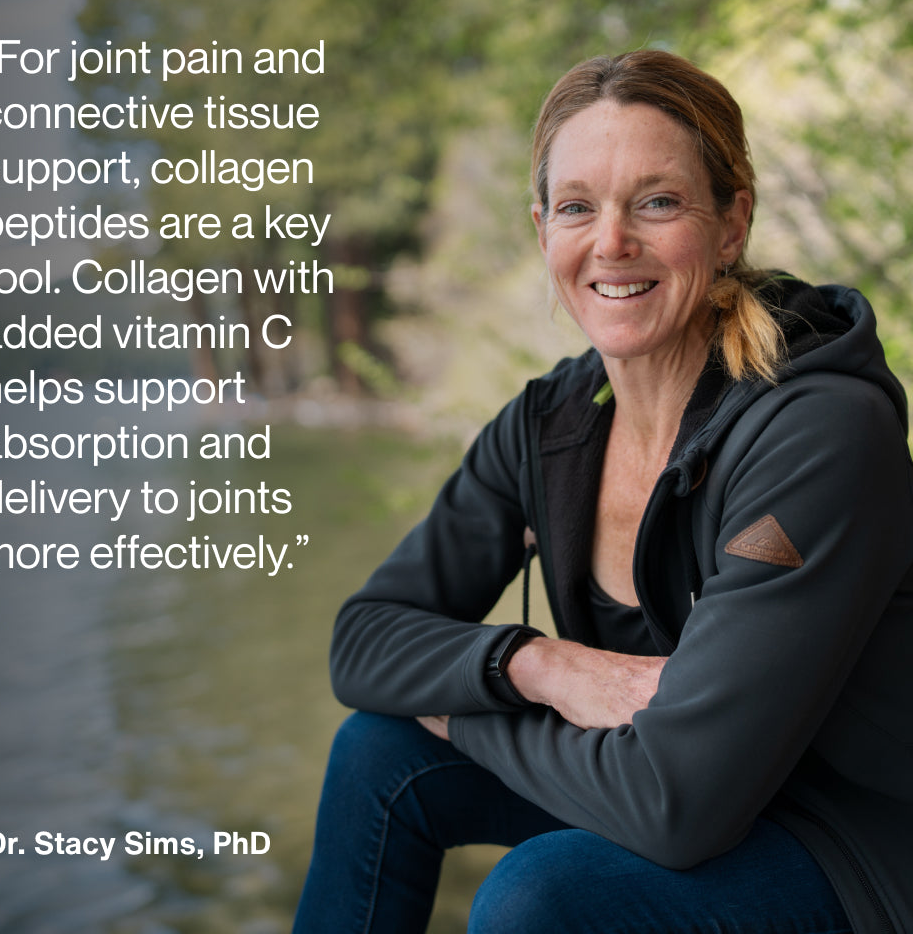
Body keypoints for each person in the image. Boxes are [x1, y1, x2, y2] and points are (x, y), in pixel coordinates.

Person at [292, 51, 913, 934]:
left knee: (543, 894)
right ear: (544, 228)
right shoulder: (554, 423)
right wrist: (534, 665)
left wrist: (459, 705)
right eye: (578, 207)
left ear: (732, 222)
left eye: (657, 202)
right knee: (377, 752)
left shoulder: (817, 434)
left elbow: (677, 805)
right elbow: (361, 642)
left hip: (846, 850)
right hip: (660, 787)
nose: (611, 242)